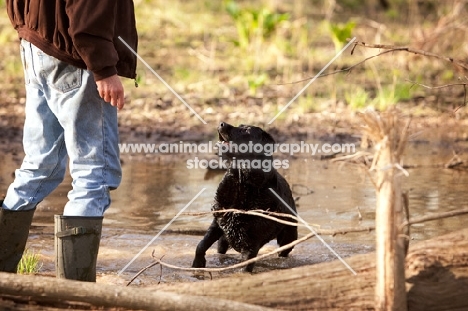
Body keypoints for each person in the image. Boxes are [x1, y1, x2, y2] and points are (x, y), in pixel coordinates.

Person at [0, 1, 138, 282]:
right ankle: (76, 293)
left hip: (36, 43)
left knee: (39, 166)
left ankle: (4, 279)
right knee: (94, 174)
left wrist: (28, 27)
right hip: (74, 55)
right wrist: (103, 68)